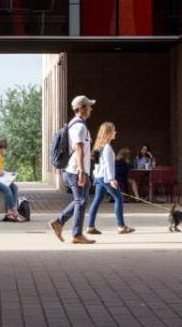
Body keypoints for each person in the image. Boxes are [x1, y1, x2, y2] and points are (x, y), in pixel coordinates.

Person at [49, 95, 96, 245]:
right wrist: (82, 171)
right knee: (81, 201)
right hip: (76, 171)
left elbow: (81, 149)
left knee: (80, 201)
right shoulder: (79, 126)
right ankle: (76, 234)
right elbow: (79, 148)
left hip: (76, 170)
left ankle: (59, 222)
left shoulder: (78, 125)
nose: (91, 109)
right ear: (80, 108)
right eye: (88, 106)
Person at [86, 123, 135, 235]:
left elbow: (97, 165)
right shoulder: (107, 148)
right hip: (105, 178)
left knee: (97, 200)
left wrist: (96, 176)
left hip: (98, 177)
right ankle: (121, 226)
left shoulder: (99, 147)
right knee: (118, 198)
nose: (115, 132)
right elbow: (108, 165)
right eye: (113, 130)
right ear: (108, 133)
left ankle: (90, 226)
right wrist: (111, 179)